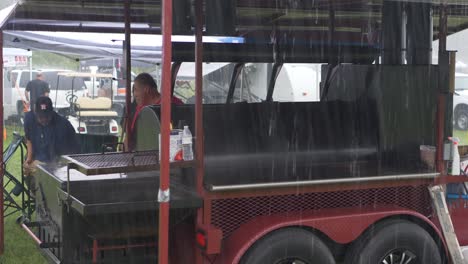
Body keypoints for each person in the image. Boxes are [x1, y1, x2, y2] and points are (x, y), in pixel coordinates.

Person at [125, 73, 183, 151]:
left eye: (136, 90)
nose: (134, 95)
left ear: (146, 89)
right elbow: (130, 137)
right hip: (142, 155)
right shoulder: (140, 109)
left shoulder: (173, 104)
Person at [24, 96, 80, 165]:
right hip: (38, 160)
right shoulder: (29, 119)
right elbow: (28, 138)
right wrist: (29, 158)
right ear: (35, 112)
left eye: (47, 116)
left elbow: (65, 155)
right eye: (41, 117)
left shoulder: (63, 126)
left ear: (52, 112)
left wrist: (43, 166)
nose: (44, 120)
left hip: (58, 165)